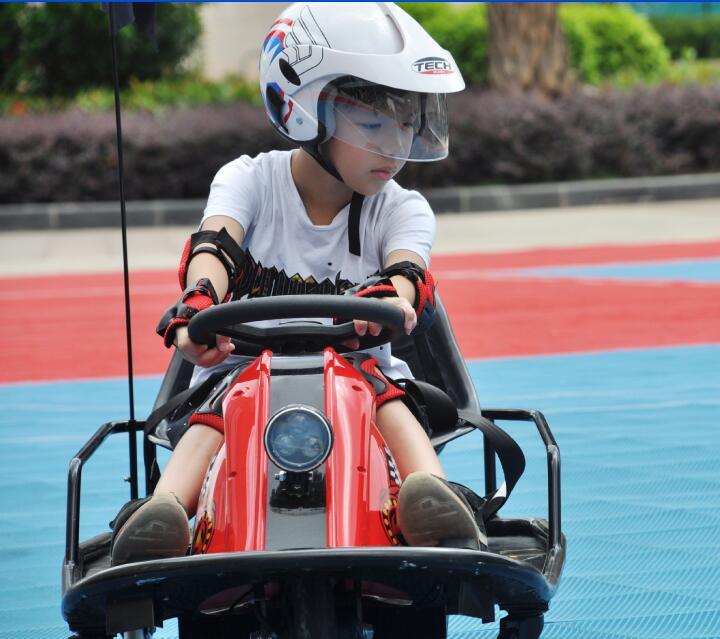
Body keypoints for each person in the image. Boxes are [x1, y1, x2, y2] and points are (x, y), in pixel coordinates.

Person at [110, 1, 487, 565]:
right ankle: (164, 512)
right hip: (246, 375)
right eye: (376, 123)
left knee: (383, 396)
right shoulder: (249, 179)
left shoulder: (402, 208)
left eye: (408, 122)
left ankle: (429, 495)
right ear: (304, 110)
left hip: (361, 373)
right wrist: (199, 302)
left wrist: (391, 297)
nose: (398, 144)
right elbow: (214, 244)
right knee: (220, 408)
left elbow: (409, 271)